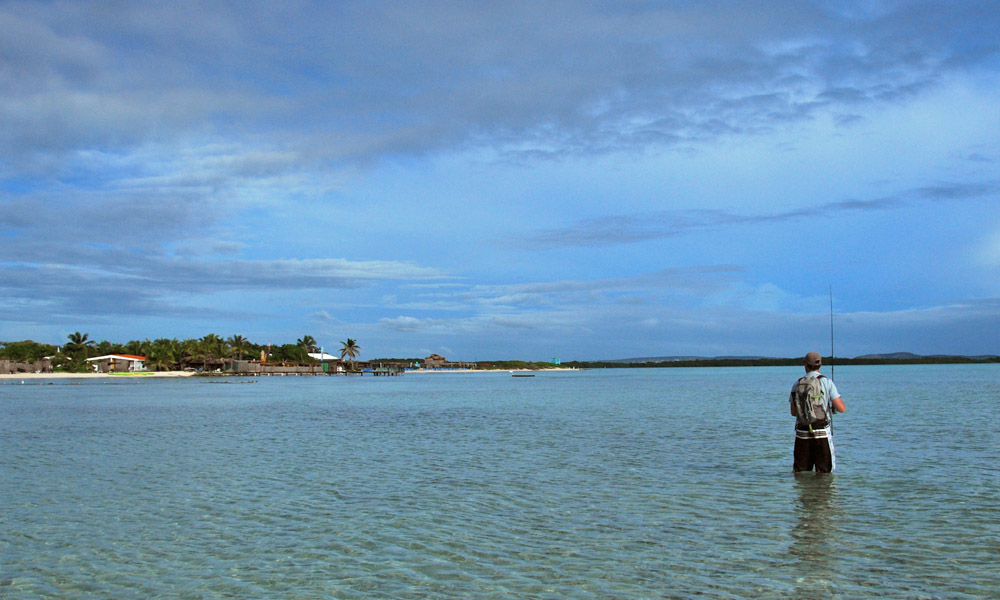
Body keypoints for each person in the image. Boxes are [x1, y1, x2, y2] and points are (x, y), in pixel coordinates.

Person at [789, 352, 846, 473]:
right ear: (820, 364)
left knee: (801, 473)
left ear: (805, 365)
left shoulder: (797, 383)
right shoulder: (827, 382)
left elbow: (793, 412)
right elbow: (842, 408)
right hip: (821, 432)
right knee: (824, 473)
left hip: (802, 433)